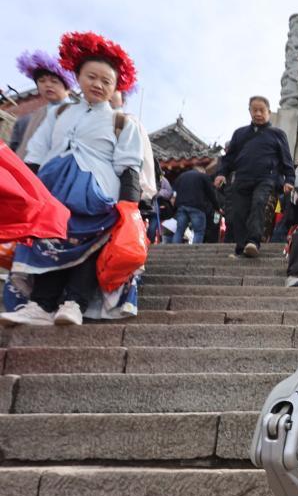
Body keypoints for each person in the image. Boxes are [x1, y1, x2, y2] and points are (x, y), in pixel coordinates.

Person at [2, 31, 144, 327]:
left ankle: (75, 303)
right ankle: (40, 305)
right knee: (47, 244)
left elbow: (130, 165)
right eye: (92, 77)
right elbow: (37, 151)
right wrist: (24, 189)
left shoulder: (122, 122)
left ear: (116, 87)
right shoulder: (59, 113)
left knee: (90, 248)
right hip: (51, 192)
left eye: (106, 81)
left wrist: (129, 207)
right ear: (77, 77)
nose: (98, 85)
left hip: (98, 195)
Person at [214, 95, 295, 258]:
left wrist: (289, 179)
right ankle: (241, 247)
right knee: (238, 212)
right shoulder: (240, 133)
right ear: (250, 111)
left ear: (268, 112)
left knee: (259, 203)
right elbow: (229, 157)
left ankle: (253, 241)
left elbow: (286, 159)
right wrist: (221, 173)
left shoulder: (278, 134)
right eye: (254, 110)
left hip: (266, 178)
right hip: (242, 178)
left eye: (261, 110)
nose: (258, 113)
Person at [9, 50, 75, 158]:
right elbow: (13, 151)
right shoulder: (25, 120)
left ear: (68, 89)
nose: (48, 85)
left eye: (54, 81)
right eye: (42, 81)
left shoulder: (80, 113)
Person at [172, 166, 218, 244]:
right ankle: (196, 250)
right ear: (201, 171)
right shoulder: (202, 176)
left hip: (182, 206)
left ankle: (174, 249)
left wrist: (175, 207)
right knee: (198, 231)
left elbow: (174, 193)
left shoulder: (181, 176)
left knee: (179, 231)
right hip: (197, 206)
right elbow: (211, 193)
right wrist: (217, 207)